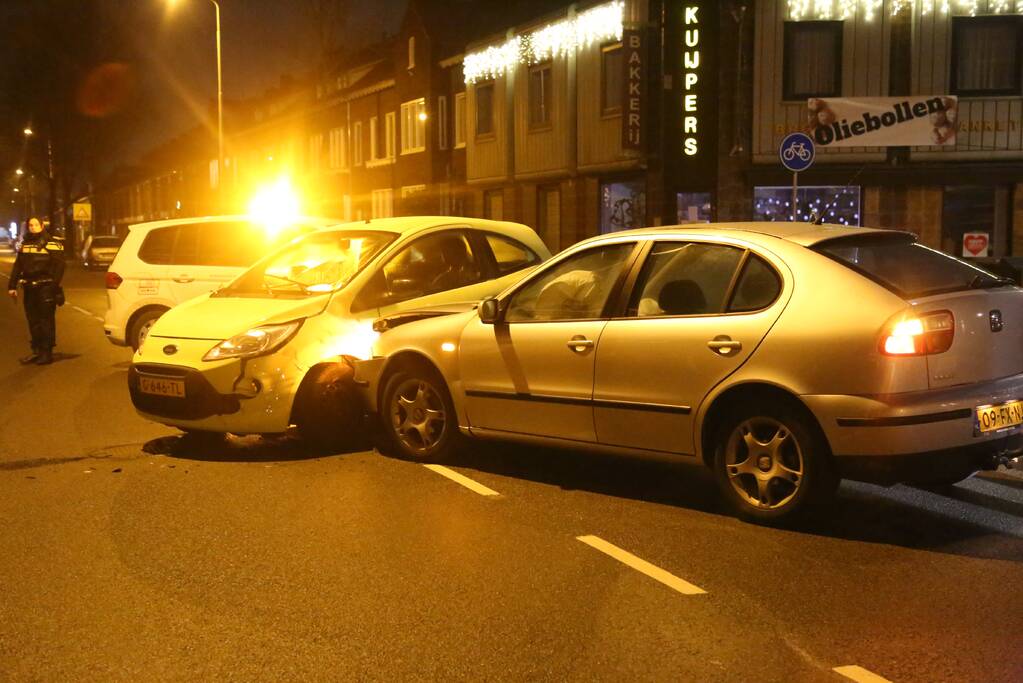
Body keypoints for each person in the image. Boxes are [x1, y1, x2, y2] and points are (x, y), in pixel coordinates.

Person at [7, 217, 65, 365]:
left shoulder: (52, 244)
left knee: (45, 320)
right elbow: (18, 265)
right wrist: (12, 286)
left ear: (41, 226)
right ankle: (37, 351)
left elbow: (59, 267)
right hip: (29, 288)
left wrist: (53, 286)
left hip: (45, 287)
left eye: (35, 225)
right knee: (33, 320)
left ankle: (47, 352)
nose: (32, 227)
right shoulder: (25, 244)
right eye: (30, 225)